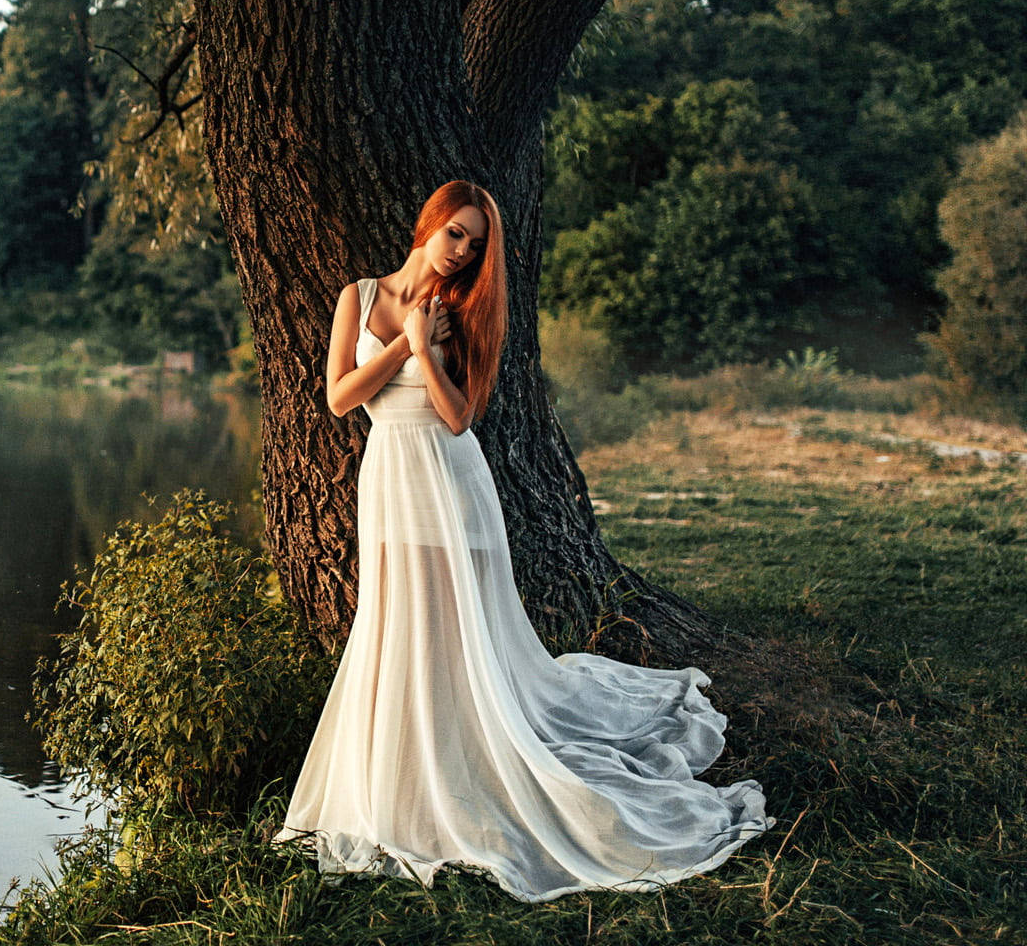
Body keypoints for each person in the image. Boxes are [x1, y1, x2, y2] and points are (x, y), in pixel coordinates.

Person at [273, 179, 774, 902]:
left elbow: (457, 419)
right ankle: (403, 772)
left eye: (475, 245)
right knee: (394, 626)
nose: (462, 253)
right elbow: (340, 397)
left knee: (453, 635)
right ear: (430, 224)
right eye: (457, 234)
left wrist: (431, 350)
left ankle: (463, 767)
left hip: (449, 482)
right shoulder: (359, 296)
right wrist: (407, 345)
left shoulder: (466, 313)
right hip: (388, 480)